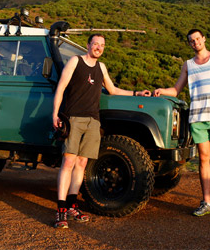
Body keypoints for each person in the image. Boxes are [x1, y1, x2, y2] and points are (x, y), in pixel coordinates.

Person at [52, 33, 151, 229]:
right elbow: (61, 87)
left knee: (81, 163)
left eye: (102, 45)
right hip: (73, 118)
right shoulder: (75, 61)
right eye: (95, 43)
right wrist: (55, 114)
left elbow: (113, 90)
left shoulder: (101, 67)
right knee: (69, 161)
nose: (98, 47)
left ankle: (72, 207)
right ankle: (61, 210)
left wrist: (136, 93)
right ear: (88, 45)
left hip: (93, 121)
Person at [153, 29, 210, 219]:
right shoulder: (188, 65)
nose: (195, 43)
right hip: (199, 118)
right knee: (203, 159)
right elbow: (177, 90)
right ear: (190, 44)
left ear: (203, 39)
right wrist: (161, 91)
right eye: (191, 41)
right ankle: (206, 202)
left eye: (197, 39)